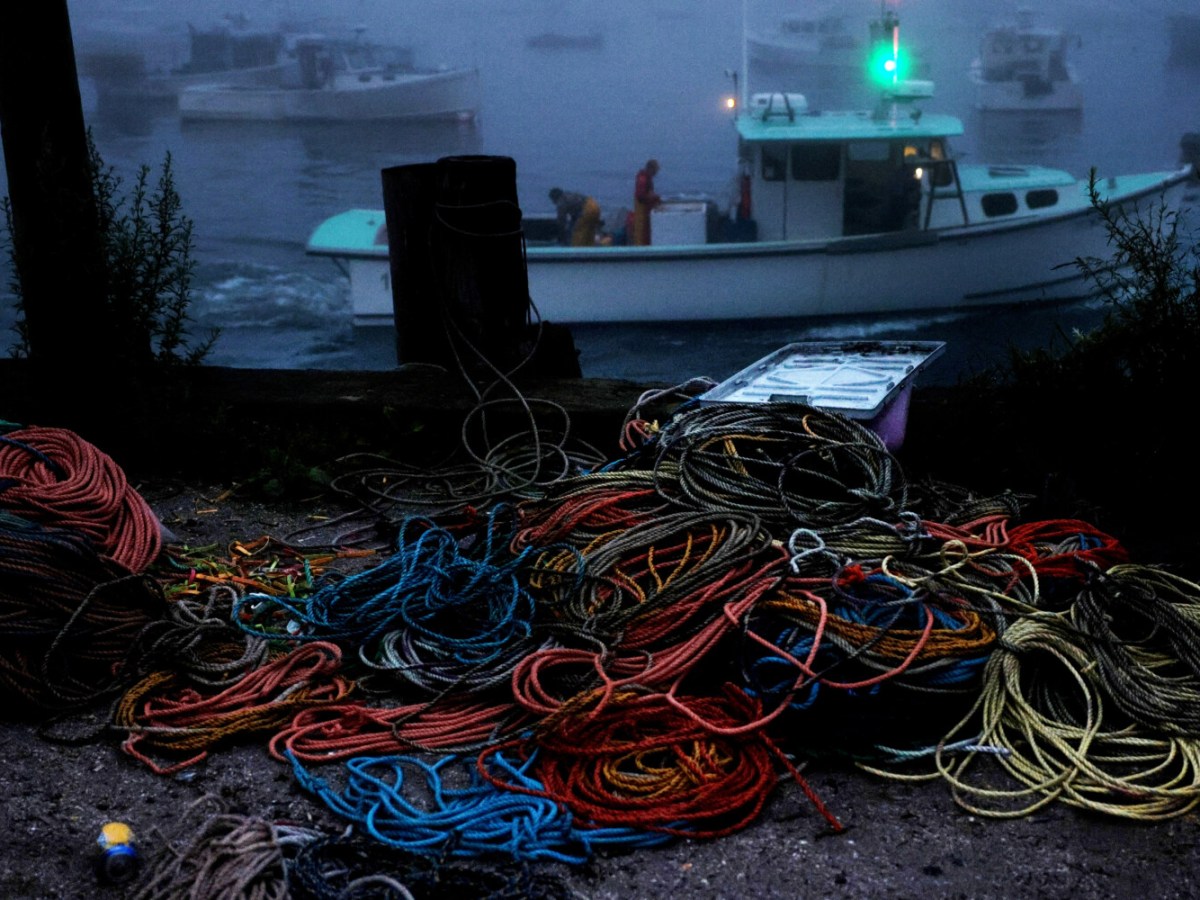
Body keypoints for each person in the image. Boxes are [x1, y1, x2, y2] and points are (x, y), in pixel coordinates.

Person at [631, 159, 661, 246]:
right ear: (651, 169)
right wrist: (654, 198)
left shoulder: (646, 178)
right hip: (642, 211)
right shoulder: (643, 179)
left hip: (646, 210)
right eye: (655, 171)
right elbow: (640, 196)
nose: (656, 173)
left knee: (646, 233)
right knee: (642, 234)